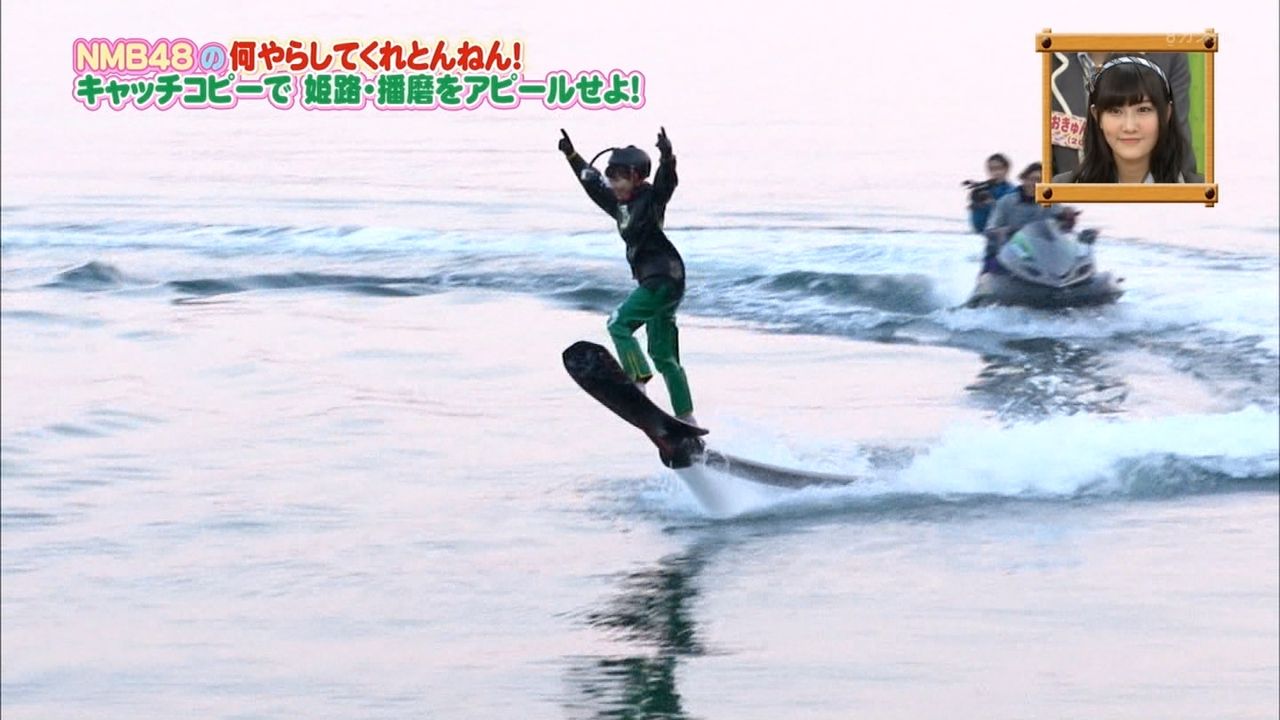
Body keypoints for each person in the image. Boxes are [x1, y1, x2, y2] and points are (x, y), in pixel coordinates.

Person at [558, 127, 698, 427]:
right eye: (612, 178)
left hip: (662, 277)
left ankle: (637, 381)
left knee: (618, 323)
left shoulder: (651, 198)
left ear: (636, 176)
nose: (614, 184)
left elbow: (667, 182)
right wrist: (572, 155)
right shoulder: (619, 205)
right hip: (665, 281)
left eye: (619, 178)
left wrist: (667, 156)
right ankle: (687, 419)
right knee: (664, 356)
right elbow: (593, 183)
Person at [1049, 52, 1198, 181]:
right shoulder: (1060, 189)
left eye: (1143, 109)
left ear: (1167, 113)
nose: (1129, 127)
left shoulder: (1197, 191)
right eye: (1115, 111)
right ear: (1096, 116)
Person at [982, 162, 1079, 274]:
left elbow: (1062, 228)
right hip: (1012, 251)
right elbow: (991, 228)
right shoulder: (1006, 202)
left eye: (1041, 181)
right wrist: (1001, 231)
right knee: (992, 261)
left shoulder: (1051, 203)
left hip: (1043, 253)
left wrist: (1069, 218)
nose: (1035, 184)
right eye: (1032, 179)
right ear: (1023, 179)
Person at [964, 153, 1017, 234]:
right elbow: (977, 226)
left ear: (1007, 169)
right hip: (986, 234)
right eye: (991, 169)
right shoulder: (981, 191)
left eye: (999, 168)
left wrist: (992, 204)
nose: (996, 172)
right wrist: (979, 206)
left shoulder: (1015, 191)